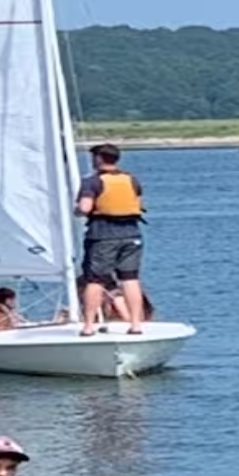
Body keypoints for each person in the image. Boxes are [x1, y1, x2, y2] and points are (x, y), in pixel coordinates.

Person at [75, 143, 148, 336]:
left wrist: (76, 211)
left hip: (103, 235)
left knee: (95, 280)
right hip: (132, 234)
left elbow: (84, 207)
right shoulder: (131, 179)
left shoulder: (92, 182)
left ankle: (88, 326)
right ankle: (135, 324)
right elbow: (138, 203)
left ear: (98, 159)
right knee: (130, 278)